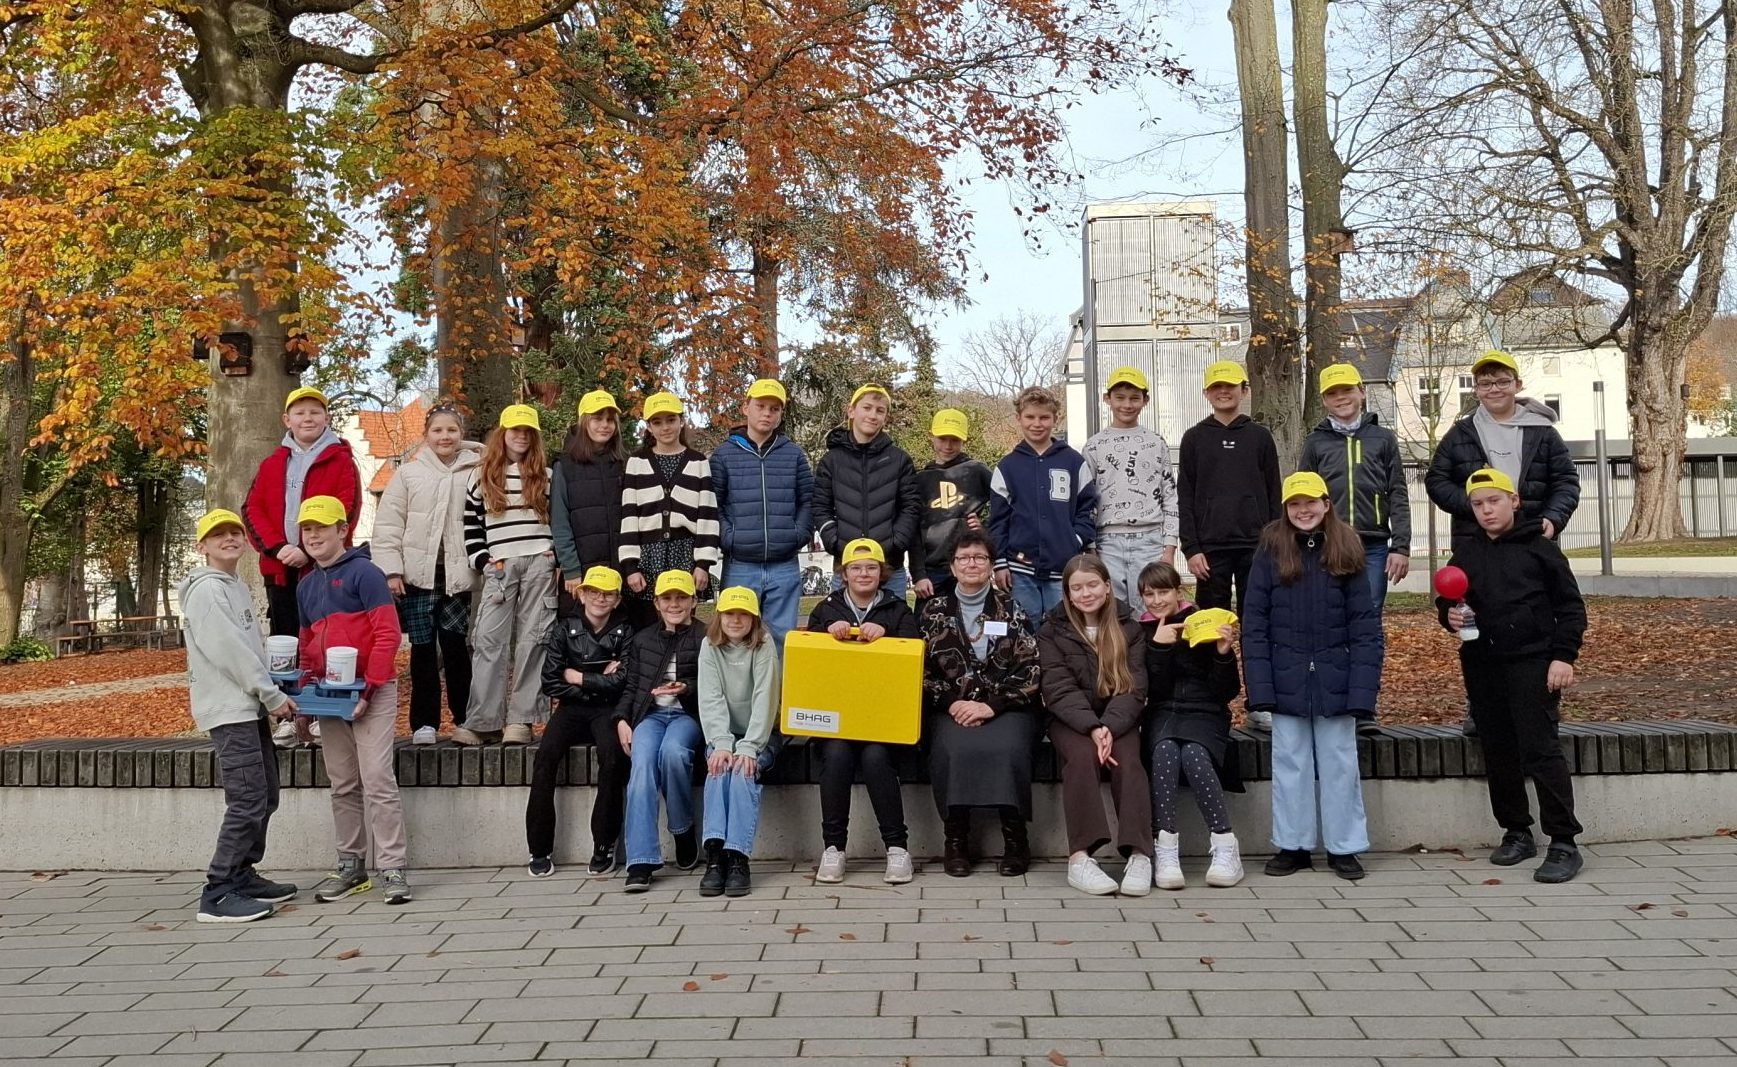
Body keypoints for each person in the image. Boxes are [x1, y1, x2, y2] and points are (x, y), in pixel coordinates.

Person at [1439, 468, 1588, 884]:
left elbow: (1571, 608)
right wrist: (1448, 615)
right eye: (1478, 504)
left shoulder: (1541, 549)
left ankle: (1563, 841)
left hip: (1534, 662)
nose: (1487, 510)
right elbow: (1449, 600)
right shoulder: (1466, 552)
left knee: (1540, 749)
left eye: (1494, 501)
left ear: (1514, 500)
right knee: (1498, 749)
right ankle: (1516, 830)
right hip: (1483, 664)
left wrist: (1563, 657)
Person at [1425, 350, 1580, 737]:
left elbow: (1565, 481)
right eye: (1485, 383)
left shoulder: (1542, 432)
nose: (1493, 389)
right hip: (1476, 545)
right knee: (1477, 621)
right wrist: (1474, 506)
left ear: (1517, 385)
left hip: (1531, 540)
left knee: (1537, 620)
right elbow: (1436, 479)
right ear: (1476, 389)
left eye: (1501, 381)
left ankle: (1542, 706)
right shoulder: (1461, 433)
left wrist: (1553, 518)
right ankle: (1482, 708)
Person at [1241, 472, 1381, 881]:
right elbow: (1255, 623)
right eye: (1295, 504)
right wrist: (1260, 687)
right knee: (1290, 763)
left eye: (1311, 502)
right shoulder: (1270, 551)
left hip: (1336, 675)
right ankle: (1293, 844)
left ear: (1326, 504)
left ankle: (1345, 847)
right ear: (1285, 509)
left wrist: (1362, 690)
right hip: (1286, 676)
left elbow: (1365, 627)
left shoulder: (1347, 548)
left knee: (1340, 762)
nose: (1304, 511)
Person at [292, 496, 412, 905]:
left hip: (371, 691)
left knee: (377, 778)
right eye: (307, 528)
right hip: (329, 697)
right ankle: (351, 864)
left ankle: (392, 866)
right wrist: (305, 700)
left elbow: (387, 635)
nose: (313, 535)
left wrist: (368, 689)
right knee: (342, 782)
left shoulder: (366, 573)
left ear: (342, 530)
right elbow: (308, 646)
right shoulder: (306, 585)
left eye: (322, 528)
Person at [180, 509, 299, 923]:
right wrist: (270, 695)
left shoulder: (235, 587)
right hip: (230, 708)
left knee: (265, 793)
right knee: (247, 797)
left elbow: (249, 648)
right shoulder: (207, 591)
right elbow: (229, 651)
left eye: (234, 532)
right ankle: (218, 890)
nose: (229, 539)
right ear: (203, 547)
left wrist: (276, 684)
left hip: (248, 704)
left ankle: (244, 874)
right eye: (218, 535)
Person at [918, 529, 1042, 878]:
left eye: (980, 558)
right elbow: (918, 670)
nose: (972, 563)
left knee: (1009, 748)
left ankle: (1016, 838)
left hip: (1005, 707)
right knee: (950, 749)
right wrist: (951, 703)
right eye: (964, 558)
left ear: (990, 565)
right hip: (950, 708)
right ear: (953, 567)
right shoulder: (933, 612)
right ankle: (956, 839)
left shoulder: (1012, 609)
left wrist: (992, 706)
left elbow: (1031, 669)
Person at [1299, 364, 1412, 736]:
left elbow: (1398, 492)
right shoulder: (1315, 443)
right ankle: (1331, 700)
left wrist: (1402, 545)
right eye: (1333, 393)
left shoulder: (1383, 438)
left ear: (1362, 392)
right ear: (1324, 400)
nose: (1341, 398)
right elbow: (1303, 497)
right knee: (1327, 622)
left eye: (1347, 390)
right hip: (1328, 545)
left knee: (1366, 628)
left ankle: (1364, 707)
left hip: (1375, 545)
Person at [809, 539, 923, 885]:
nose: (863, 574)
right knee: (837, 755)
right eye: (855, 568)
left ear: (882, 572)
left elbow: (914, 662)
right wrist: (827, 638)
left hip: (882, 722)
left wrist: (886, 636)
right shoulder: (824, 611)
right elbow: (809, 667)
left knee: (876, 758)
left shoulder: (898, 611)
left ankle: (897, 849)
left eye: (871, 567)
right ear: (844, 574)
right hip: (837, 720)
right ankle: (833, 848)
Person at [1037, 554, 1152, 897]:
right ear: (1067, 594)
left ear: (1106, 587)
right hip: (1071, 719)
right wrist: (1092, 727)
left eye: (1091, 585)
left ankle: (1139, 854)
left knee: (1129, 763)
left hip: (1119, 717)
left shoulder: (1130, 628)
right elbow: (1057, 688)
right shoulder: (1051, 630)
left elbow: (1134, 686)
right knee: (1082, 759)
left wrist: (1109, 727)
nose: (1085, 593)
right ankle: (1080, 858)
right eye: (1076, 588)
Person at [1176, 360, 1280, 728]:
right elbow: (1184, 498)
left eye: (1231, 386)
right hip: (1210, 551)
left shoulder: (1260, 437)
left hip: (1256, 548)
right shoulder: (1194, 438)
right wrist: (1191, 548)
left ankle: (1260, 703)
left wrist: (1272, 544)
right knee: (1209, 626)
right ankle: (1211, 703)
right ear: (1206, 393)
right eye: (1217, 386)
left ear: (1244, 390)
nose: (1224, 392)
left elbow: (1273, 494)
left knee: (1257, 625)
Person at [371, 403, 479, 745]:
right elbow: (389, 525)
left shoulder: (476, 470)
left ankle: (466, 718)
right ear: (426, 436)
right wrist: (391, 569)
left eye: (451, 430)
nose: (445, 436)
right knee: (421, 648)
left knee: (455, 646)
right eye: (437, 430)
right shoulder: (409, 475)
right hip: (418, 575)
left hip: (458, 574)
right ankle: (423, 723)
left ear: (461, 434)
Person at [526, 565, 637, 878]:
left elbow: (625, 681)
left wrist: (578, 677)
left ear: (617, 600)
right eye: (594, 592)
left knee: (613, 759)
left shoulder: (625, 630)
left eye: (608, 594)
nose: (600, 599)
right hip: (570, 708)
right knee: (545, 757)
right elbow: (550, 680)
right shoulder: (565, 628)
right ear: (583, 594)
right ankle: (539, 847)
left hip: (608, 711)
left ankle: (604, 844)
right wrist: (597, 681)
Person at [459, 403, 558, 746]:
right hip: (500, 566)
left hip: (538, 562)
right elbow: (471, 523)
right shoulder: (481, 476)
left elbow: (559, 519)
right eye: (515, 430)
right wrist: (482, 558)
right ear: (502, 434)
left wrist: (554, 553)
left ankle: (522, 720)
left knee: (534, 640)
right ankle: (483, 720)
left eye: (527, 431)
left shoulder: (545, 476)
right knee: (489, 640)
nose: (521, 436)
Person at [1142, 565, 1245, 890]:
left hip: (1205, 712)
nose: (1157, 600)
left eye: (1163, 592)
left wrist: (1223, 654)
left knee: (1195, 754)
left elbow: (1225, 692)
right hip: (1163, 712)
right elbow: (1150, 691)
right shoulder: (1141, 631)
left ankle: (1225, 844)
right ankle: (1166, 846)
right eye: (1149, 594)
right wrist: (1158, 648)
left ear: (1179, 591)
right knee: (1165, 750)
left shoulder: (1204, 622)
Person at [243, 387, 363, 640]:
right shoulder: (271, 464)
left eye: (315, 412)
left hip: (326, 567)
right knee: (285, 639)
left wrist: (308, 549)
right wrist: (278, 548)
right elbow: (252, 510)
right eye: (299, 412)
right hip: (279, 568)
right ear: (287, 420)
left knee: (326, 636)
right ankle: (287, 681)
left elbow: (347, 511)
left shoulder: (341, 461)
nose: (307, 418)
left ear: (326, 418)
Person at [615, 570, 707, 892]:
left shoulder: (705, 637)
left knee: (674, 753)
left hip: (687, 716)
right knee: (641, 765)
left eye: (681, 597)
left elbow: (713, 686)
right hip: (650, 717)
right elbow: (631, 687)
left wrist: (687, 688)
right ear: (656, 603)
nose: (674, 604)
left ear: (694, 601)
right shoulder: (643, 640)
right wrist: (622, 720)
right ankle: (640, 860)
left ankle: (682, 831)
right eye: (667, 598)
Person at [710, 378, 814, 646]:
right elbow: (714, 504)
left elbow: (808, 500)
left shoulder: (793, 455)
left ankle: (776, 690)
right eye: (761, 406)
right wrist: (730, 537)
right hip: (740, 565)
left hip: (784, 564)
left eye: (774, 409)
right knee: (736, 638)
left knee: (780, 640)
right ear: (746, 408)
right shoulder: (724, 455)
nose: (767, 413)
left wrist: (797, 534)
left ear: (780, 415)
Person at [696, 586, 781, 897]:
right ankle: (715, 856)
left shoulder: (764, 644)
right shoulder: (709, 646)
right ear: (719, 616)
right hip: (723, 735)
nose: (735, 620)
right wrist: (722, 743)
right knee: (719, 769)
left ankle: (738, 858)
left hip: (761, 735)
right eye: (729, 613)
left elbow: (765, 699)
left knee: (743, 770)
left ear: (754, 618)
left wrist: (748, 747)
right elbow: (710, 698)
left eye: (743, 614)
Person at [990, 386, 1098, 621]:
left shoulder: (1073, 461)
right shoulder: (1007, 466)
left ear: (1055, 419)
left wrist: (1074, 540)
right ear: (1018, 418)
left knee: (1063, 627)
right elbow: (998, 520)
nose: (1036, 424)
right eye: (1030, 417)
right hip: (1019, 569)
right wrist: (999, 563)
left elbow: (1088, 508)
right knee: (1024, 625)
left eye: (1044, 417)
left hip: (1064, 567)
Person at [814, 383, 923, 599]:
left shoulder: (899, 460)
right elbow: (820, 506)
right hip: (847, 566)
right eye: (867, 407)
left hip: (890, 568)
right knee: (843, 630)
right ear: (851, 410)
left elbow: (910, 508)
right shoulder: (832, 460)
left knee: (892, 630)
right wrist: (835, 542)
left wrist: (895, 542)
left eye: (880, 410)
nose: (873, 415)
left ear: (885, 418)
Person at [619, 390, 720, 624]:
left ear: (681, 421)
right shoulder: (637, 463)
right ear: (649, 427)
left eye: (671, 420)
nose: (665, 428)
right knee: (647, 624)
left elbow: (707, 514)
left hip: (685, 555)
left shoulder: (698, 462)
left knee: (681, 621)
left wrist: (703, 564)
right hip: (647, 557)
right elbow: (629, 515)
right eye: (657, 422)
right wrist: (631, 566)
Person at [1083, 367, 1179, 606]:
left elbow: (1170, 496)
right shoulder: (1094, 446)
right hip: (1108, 540)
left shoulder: (1155, 442)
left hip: (1150, 539)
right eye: (1120, 398)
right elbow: (1086, 501)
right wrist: (1091, 548)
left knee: (1149, 606)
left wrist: (1169, 548)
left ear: (1145, 401)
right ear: (1108, 399)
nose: (1127, 405)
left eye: (1135, 398)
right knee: (1111, 609)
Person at [553, 389, 631, 620]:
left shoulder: (625, 463)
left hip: (619, 569)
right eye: (597, 419)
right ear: (584, 422)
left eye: (609, 420)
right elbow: (560, 521)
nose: (604, 425)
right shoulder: (565, 466)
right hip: (582, 570)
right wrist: (571, 569)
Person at [913, 408, 992, 602]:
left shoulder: (977, 471)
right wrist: (918, 574)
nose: (948, 446)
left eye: (955, 440)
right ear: (931, 437)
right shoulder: (920, 480)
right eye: (942, 438)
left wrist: (986, 529)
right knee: (928, 627)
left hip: (969, 565)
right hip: (933, 571)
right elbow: (913, 531)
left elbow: (1007, 506)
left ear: (964, 440)